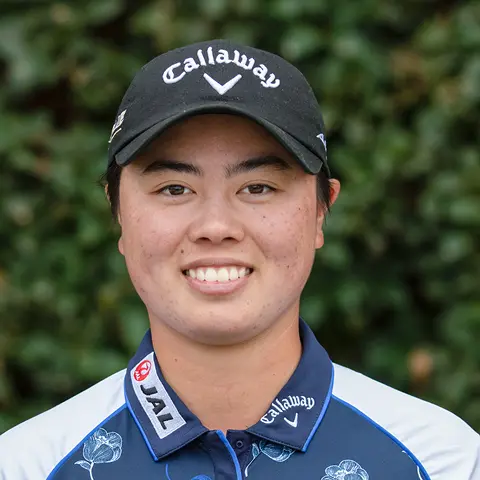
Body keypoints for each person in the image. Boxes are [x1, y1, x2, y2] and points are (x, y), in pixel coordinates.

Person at [0, 39, 478, 480]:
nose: (215, 226)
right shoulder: (29, 465)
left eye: (258, 187)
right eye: (174, 189)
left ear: (320, 212)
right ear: (118, 212)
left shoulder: (439, 461)